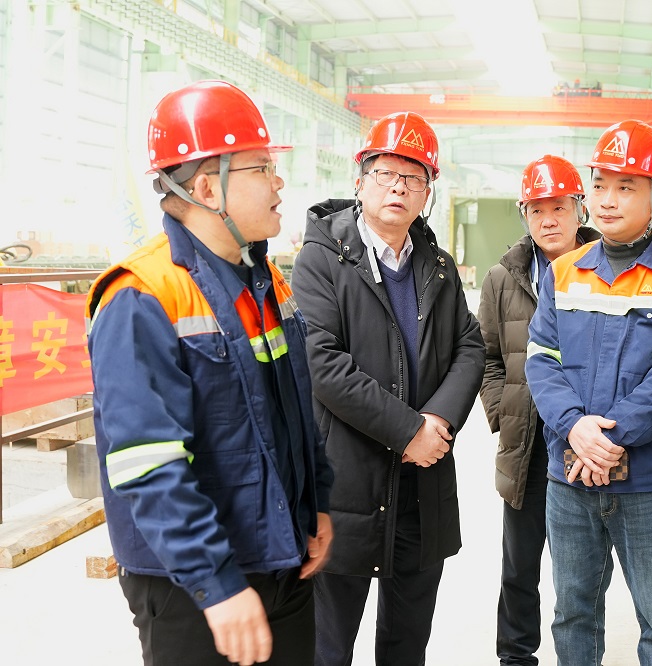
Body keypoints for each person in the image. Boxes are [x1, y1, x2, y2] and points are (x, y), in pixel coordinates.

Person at [86, 80, 335, 666]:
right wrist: (214, 582)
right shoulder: (142, 297)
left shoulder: (267, 283)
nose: (278, 183)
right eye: (261, 168)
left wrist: (315, 503)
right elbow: (146, 460)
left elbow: (293, 412)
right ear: (206, 187)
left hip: (284, 558)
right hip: (193, 588)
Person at [291, 111, 485, 665]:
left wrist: (436, 424)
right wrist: (407, 432)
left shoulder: (438, 267)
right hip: (348, 485)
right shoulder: (321, 260)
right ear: (360, 180)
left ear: (428, 191)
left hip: (423, 484)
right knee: (328, 647)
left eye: (414, 177)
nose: (399, 187)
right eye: (386, 174)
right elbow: (323, 363)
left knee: (406, 646)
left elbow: (470, 346)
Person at [525, 120, 652, 665]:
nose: (607, 200)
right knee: (572, 613)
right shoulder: (563, 272)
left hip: (650, 484)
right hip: (570, 478)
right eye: (600, 185)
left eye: (626, 187)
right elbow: (541, 360)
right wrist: (575, 429)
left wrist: (607, 439)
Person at [478, 154, 602, 665]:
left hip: (585, 448)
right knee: (519, 568)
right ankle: (515, 658)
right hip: (526, 448)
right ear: (523, 213)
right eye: (537, 210)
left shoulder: (609, 269)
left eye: (559, 208)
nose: (548, 220)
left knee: (582, 576)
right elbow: (486, 356)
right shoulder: (502, 278)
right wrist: (502, 412)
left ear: (579, 209)